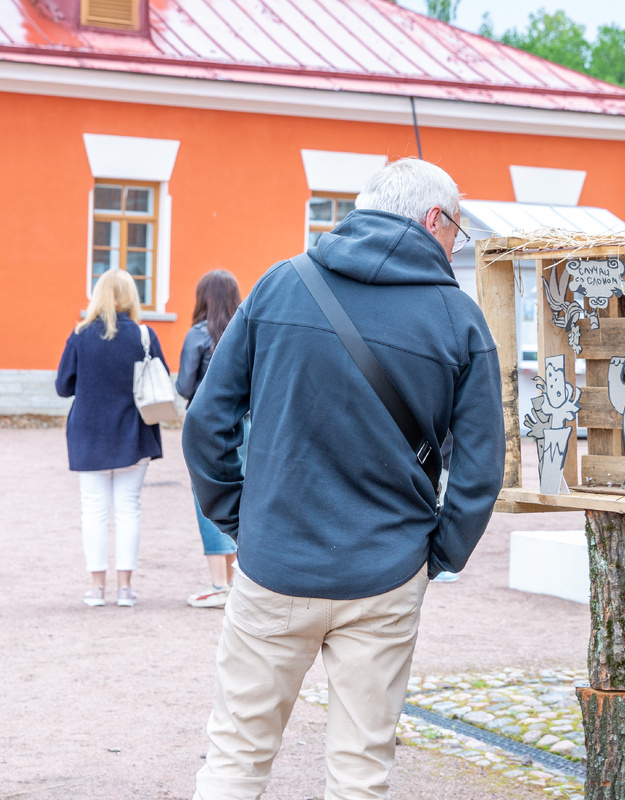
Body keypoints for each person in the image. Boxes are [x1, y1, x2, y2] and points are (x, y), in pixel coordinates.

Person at [184, 157, 505, 800]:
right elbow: (480, 468)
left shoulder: (281, 285)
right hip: (386, 571)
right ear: (433, 220)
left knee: (236, 758)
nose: (454, 248)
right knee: (361, 771)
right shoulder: (459, 320)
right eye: (458, 234)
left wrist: (241, 523)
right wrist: (437, 554)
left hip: (275, 564)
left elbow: (205, 424)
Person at [56, 268, 168, 608]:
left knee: (93, 511)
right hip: (133, 433)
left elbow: (63, 387)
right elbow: (160, 378)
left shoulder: (80, 335)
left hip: (88, 433)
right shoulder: (144, 336)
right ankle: (125, 588)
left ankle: (95, 588)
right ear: (130, 296)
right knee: (129, 510)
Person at [176, 270, 243, 609]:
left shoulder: (197, 335)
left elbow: (185, 387)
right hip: (245, 428)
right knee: (243, 496)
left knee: (209, 499)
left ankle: (219, 582)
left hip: (205, 430)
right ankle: (237, 580)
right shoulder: (245, 331)